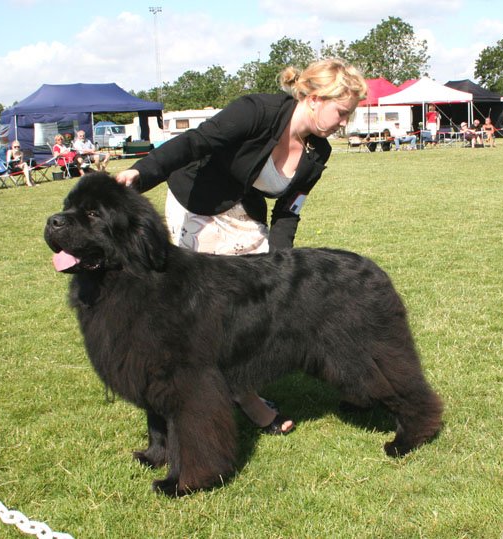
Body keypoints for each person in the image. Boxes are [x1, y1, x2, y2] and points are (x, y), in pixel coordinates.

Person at [115, 58, 367, 435]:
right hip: (197, 202)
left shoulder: (319, 152)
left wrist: (281, 265)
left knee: (255, 307)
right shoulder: (256, 111)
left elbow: (287, 212)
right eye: (342, 113)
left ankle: (235, 383)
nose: (344, 123)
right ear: (314, 98)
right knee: (213, 314)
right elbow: (194, 142)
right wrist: (142, 172)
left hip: (241, 212)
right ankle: (243, 399)